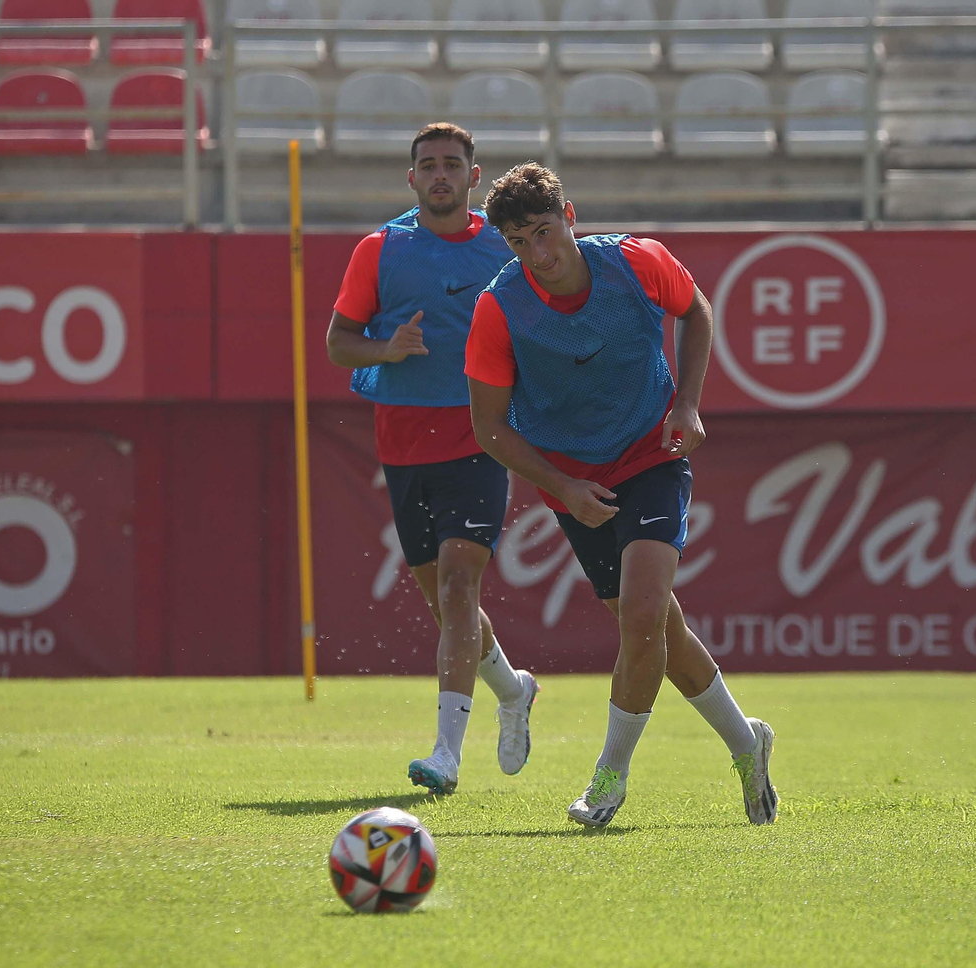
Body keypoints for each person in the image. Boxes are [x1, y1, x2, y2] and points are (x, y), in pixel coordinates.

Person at [465, 162, 777, 828]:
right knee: (658, 628)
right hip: (574, 484)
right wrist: (563, 487)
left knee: (641, 615)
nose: (538, 254)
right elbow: (487, 426)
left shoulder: (637, 261)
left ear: (570, 217)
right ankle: (748, 744)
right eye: (519, 242)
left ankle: (609, 779)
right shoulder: (498, 308)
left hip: (651, 455)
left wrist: (687, 404)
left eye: (544, 232)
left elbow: (695, 310)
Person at [326, 123, 538, 796]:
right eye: (428, 165)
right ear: (411, 178)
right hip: (402, 446)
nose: (439, 173)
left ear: (474, 177)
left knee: (457, 587)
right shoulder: (379, 249)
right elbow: (338, 343)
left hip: (479, 438)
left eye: (451, 163)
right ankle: (514, 691)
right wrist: (385, 349)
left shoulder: (506, 249)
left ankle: (446, 754)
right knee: (450, 608)